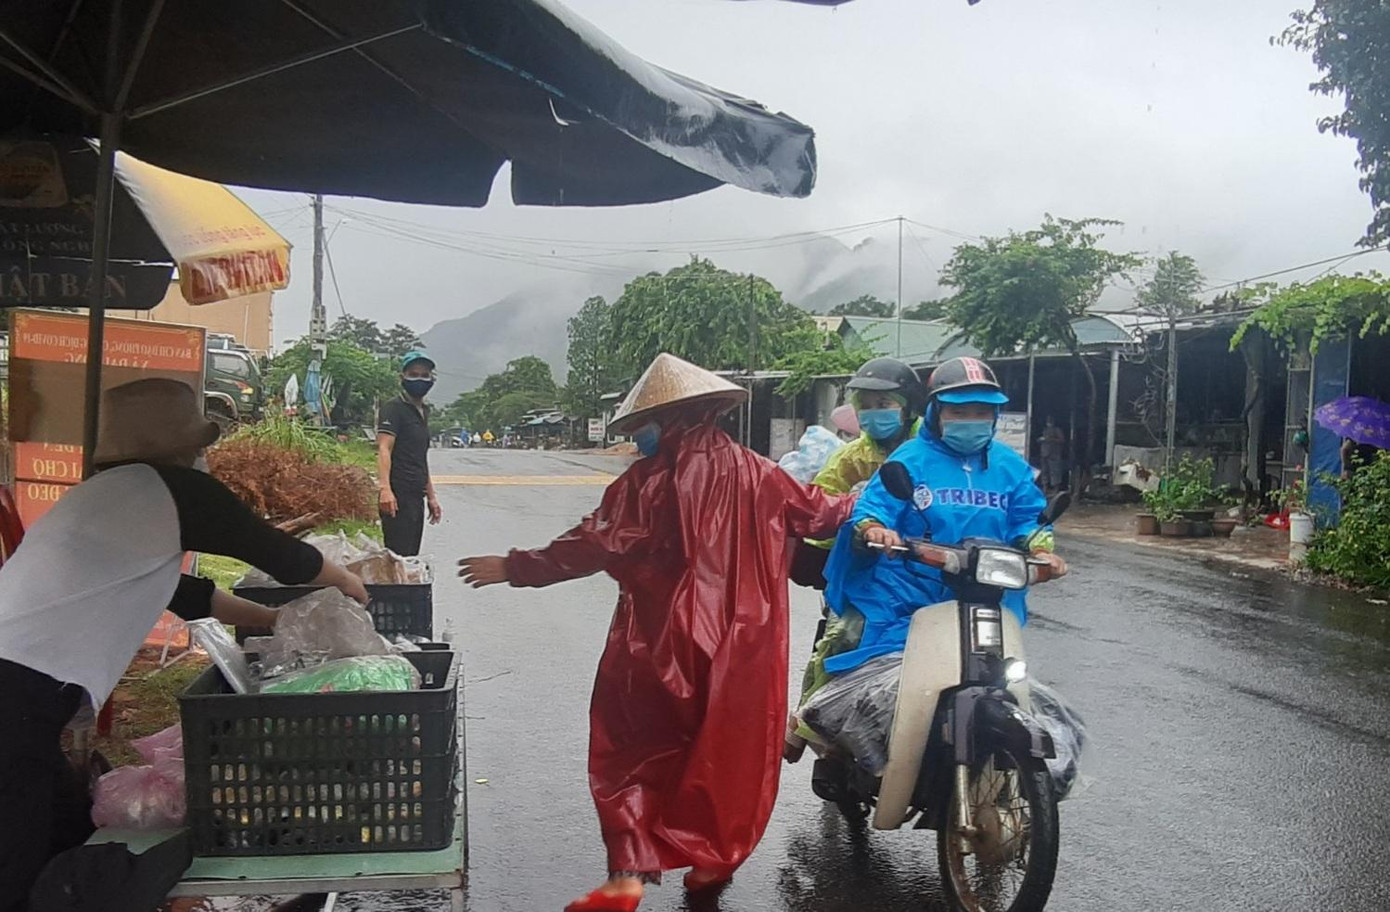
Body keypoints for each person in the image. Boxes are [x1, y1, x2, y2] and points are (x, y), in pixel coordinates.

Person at [458, 353, 855, 912]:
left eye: (642, 426)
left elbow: (593, 543)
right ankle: (711, 865)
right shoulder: (763, 475)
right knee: (729, 758)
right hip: (744, 649)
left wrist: (516, 566)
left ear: (664, 421)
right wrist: (880, 496)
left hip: (655, 641)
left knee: (632, 754)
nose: (638, 437)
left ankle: (628, 872)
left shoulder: (644, 483)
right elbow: (826, 514)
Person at [0, 379, 368, 910]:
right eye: (199, 447)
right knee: (21, 851)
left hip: (25, 696)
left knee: (64, 819)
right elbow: (285, 556)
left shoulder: (107, 496)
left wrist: (273, 620)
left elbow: (189, 593)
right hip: (16, 692)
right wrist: (351, 586)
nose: (203, 456)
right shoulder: (174, 488)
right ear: (182, 447)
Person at [820, 357, 1066, 681]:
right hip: (906, 599)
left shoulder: (1011, 466)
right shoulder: (909, 459)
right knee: (844, 651)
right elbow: (875, 506)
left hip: (986, 600)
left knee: (1024, 699)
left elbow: (1028, 519)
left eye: (981, 412)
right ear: (937, 412)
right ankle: (810, 726)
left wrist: (1042, 551)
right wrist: (875, 529)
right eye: (958, 412)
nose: (971, 420)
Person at [785, 357, 926, 761]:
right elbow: (818, 501)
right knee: (843, 636)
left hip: (933, 566)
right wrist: (851, 521)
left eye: (885, 404)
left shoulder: (932, 451)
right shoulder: (855, 456)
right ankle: (806, 720)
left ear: (908, 407)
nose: (874, 414)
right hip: (873, 567)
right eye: (866, 404)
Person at [378, 351, 442, 556]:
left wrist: (431, 496)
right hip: (398, 495)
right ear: (402, 378)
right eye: (413, 374)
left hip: (416, 496)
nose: (420, 379)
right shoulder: (394, 408)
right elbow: (384, 448)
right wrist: (385, 490)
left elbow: (420, 458)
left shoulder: (424, 411)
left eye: (425, 375)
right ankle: (396, 589)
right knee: (398, 556)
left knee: (411, 555)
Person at [1039, 414, 1067, 492]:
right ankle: (1045, 487)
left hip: (1054, 454)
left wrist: (1050, 439)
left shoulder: (1057, 430)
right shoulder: (1045, 430)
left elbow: (1062, 440)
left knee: (1055, 471)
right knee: (1044, 471)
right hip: (1044, 453)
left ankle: (1055, 488)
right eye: (1047, 421)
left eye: (1050, 420)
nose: (1048, 422)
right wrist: (1041, 440)